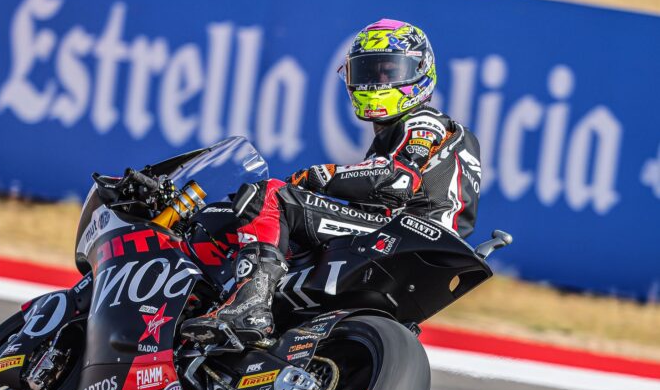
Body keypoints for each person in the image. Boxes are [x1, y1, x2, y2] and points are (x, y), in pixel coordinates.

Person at [180, 18, 482, 346]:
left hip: (406, 233)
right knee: (287, 240)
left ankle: (250, 303)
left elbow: (396, 182)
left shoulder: (424, 121)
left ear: (420, 72)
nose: (375, 83)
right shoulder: (396, 137)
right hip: (413, 244)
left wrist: (320, 177)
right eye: (366, 72)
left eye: (388, 71)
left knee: (270, 196)